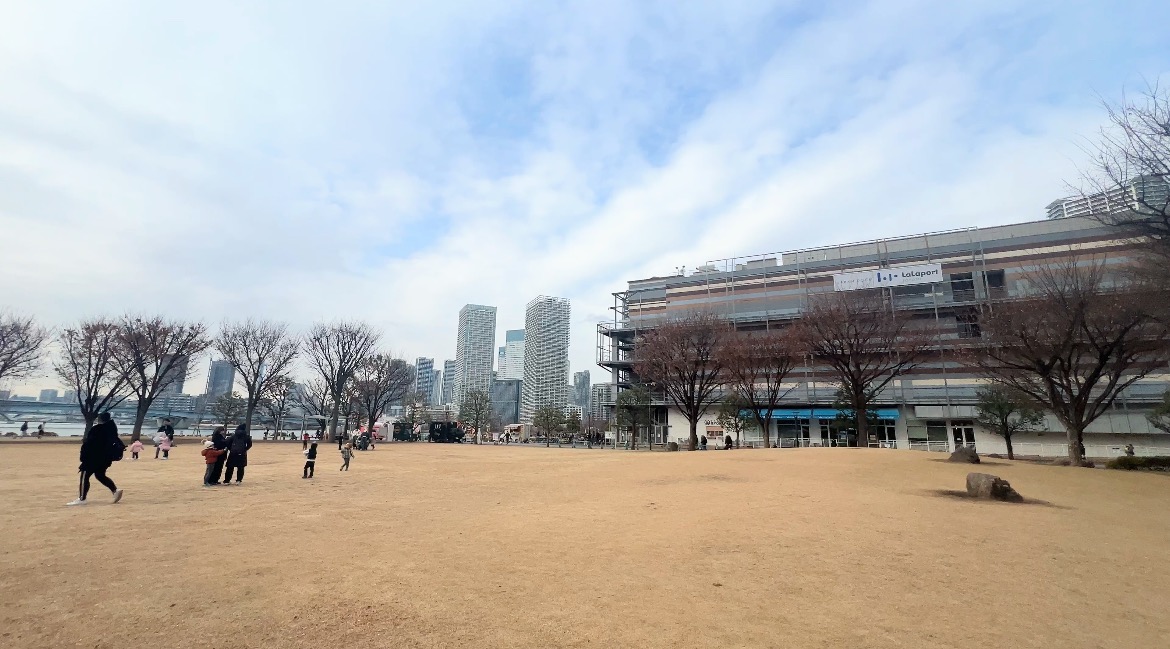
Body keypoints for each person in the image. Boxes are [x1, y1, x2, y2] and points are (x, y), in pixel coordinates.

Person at [68, 412, 124, 506]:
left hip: (93, 457)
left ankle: (82, 498)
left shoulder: (97, 429)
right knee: (100, 475)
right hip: (105, 458)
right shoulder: (112, 429)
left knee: (84, 476)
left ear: (100, 419)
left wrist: (84, 456)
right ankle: (115, 490)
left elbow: (89, 444)